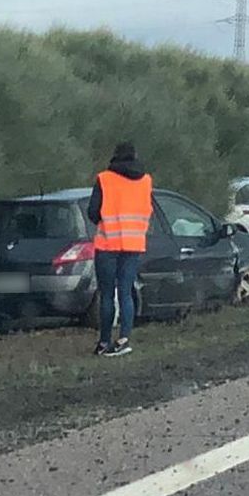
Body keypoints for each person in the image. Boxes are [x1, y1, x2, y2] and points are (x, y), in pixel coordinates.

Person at [86, 142, 153, 355]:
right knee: (126, 292)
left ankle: (105, 342)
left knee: (107, 294)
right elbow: (148, 209)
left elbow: (93, 212)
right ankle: (124, 339)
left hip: (108, 243)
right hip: (133, 243)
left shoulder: (105, 179)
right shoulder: (146, 181)